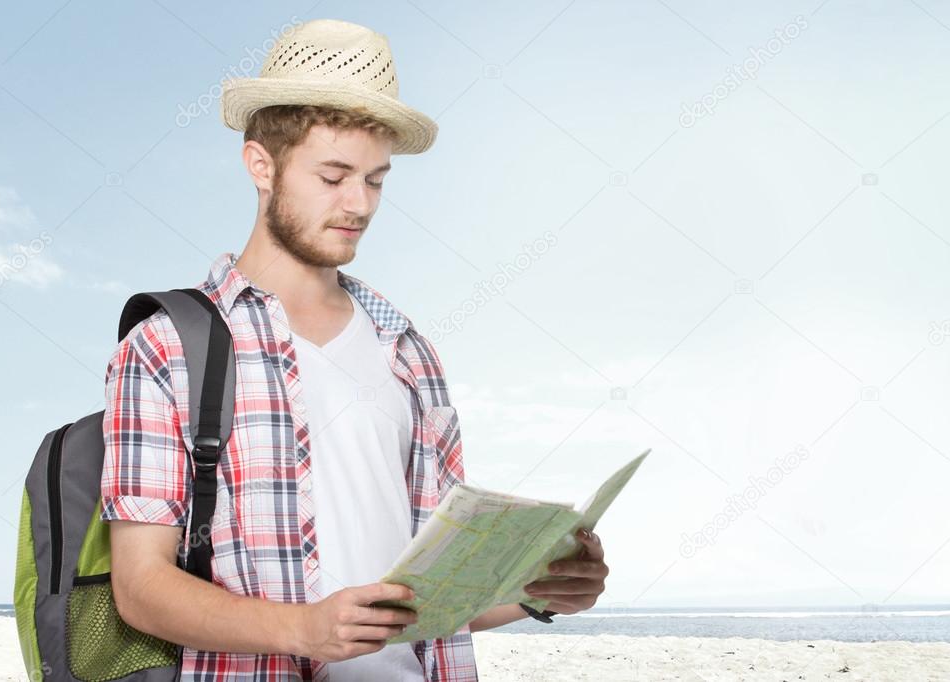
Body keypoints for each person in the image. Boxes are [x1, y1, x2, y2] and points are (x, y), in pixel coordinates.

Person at [100, 18, 610, 682]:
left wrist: (535, 593)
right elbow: (139, 589)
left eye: (374, 179)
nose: (358, 204)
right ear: (261, 164)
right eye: (333, 175)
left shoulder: (408, 352)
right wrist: (300, 629)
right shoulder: (168, 346)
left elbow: (432, 599)